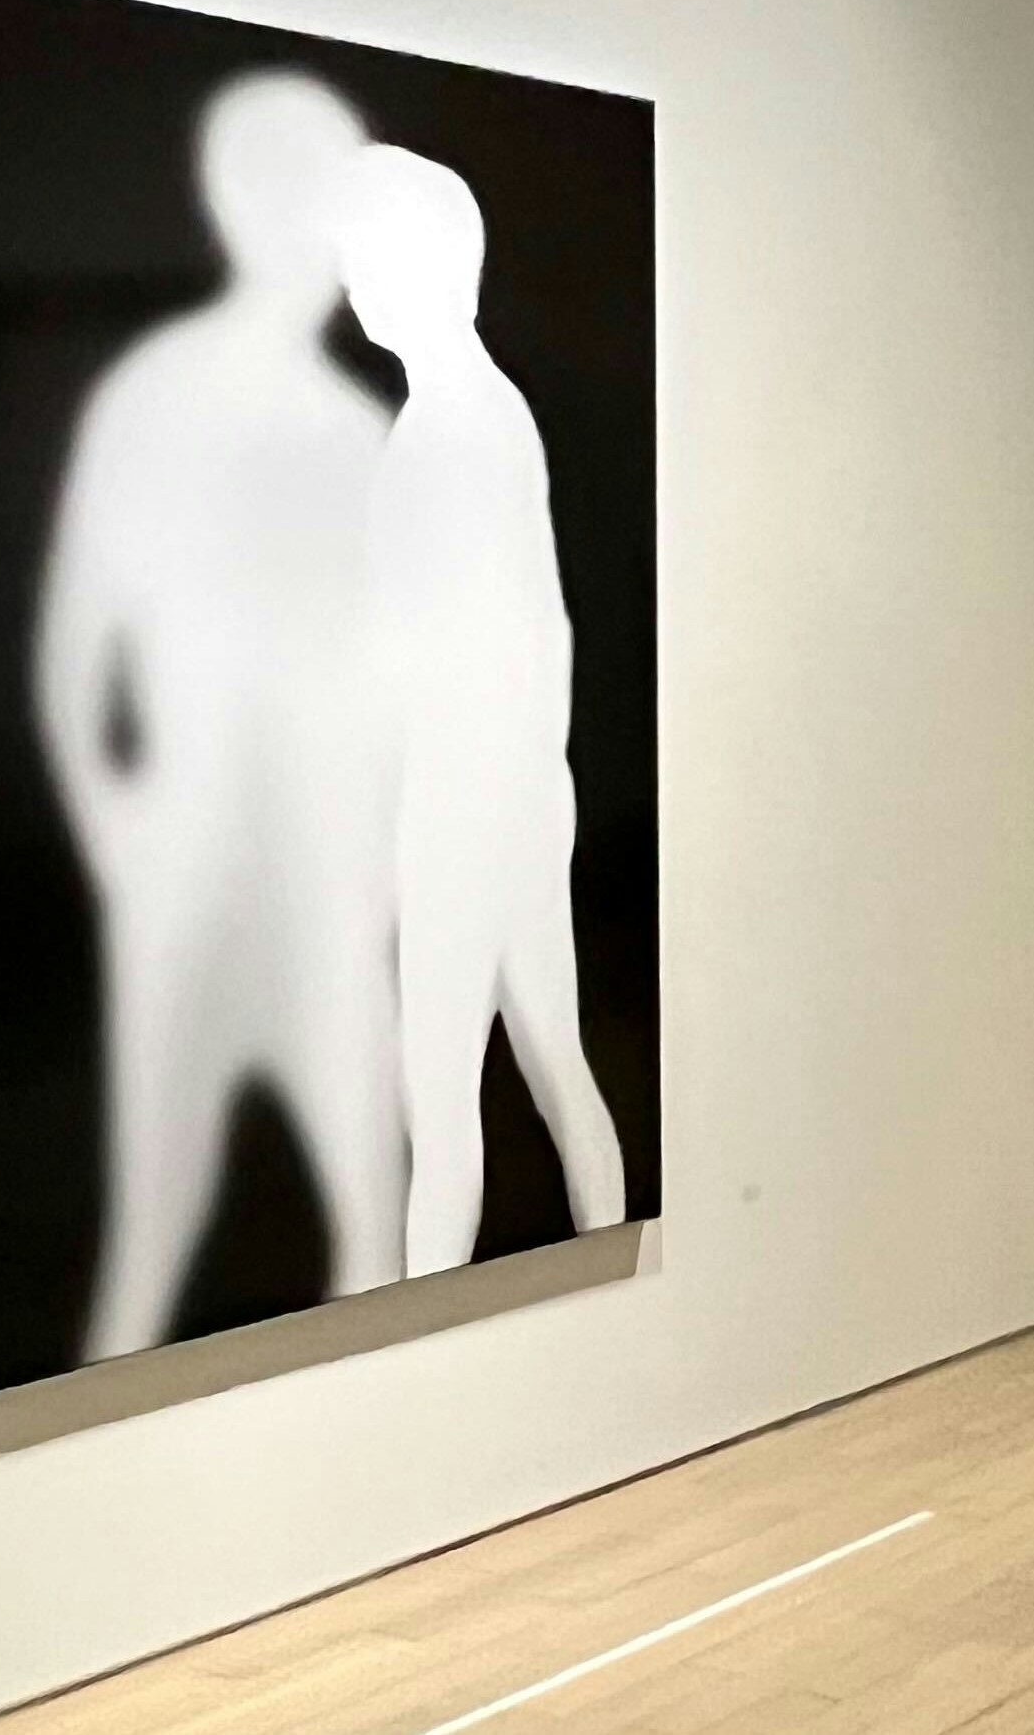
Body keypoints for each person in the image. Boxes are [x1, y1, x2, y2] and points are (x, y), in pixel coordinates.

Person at [41, 70, 400, 1360]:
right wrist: (113, 836)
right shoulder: (155, 398)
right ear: (237, 202)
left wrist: (388, 871)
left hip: (327, 889)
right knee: (153, 1233)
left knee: (377, 1227)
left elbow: (398, 681)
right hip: (190, 874)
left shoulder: (361, 434)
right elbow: (75, 650)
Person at [333, 143, 627, 1274]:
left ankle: (420, 1335)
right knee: (554, 1062)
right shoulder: (489, 411)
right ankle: (608, 1263)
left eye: (362, 257)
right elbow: (538, 635)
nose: (351, 282)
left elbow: (429, 651)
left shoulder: (445, 429)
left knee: (442, 1102)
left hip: (461, 803)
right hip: (516, 795)